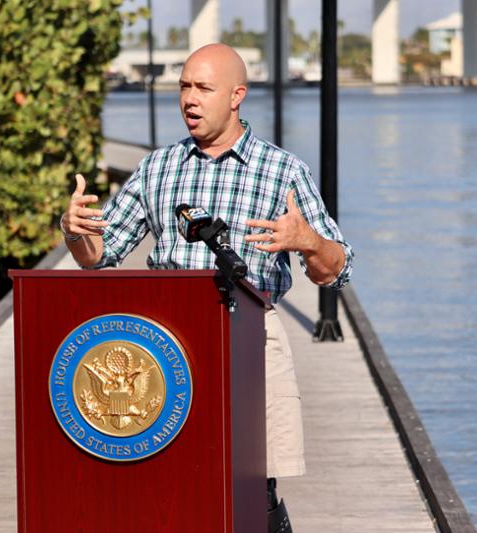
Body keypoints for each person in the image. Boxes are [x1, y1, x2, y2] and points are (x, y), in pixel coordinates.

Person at [60, 43, 353, 533]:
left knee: (255, 489)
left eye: (203, 88)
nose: (189, 99)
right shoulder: (158, 167)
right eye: (184, 87)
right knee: (168, 478)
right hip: (166, 346)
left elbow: (335, 271)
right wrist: (75, 232)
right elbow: (99, 254)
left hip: (250, 340)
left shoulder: (283, 171)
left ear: (237, 96)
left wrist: (308, 242)